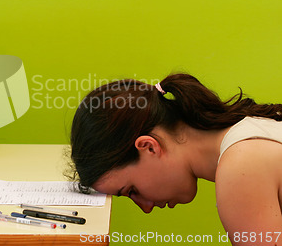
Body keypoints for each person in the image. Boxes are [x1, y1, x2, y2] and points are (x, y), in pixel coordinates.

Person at [69, 73, 282, 245]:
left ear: (148, 147)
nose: (145, 207)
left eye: (132, 191)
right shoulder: (253, 129)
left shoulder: (241, 168)